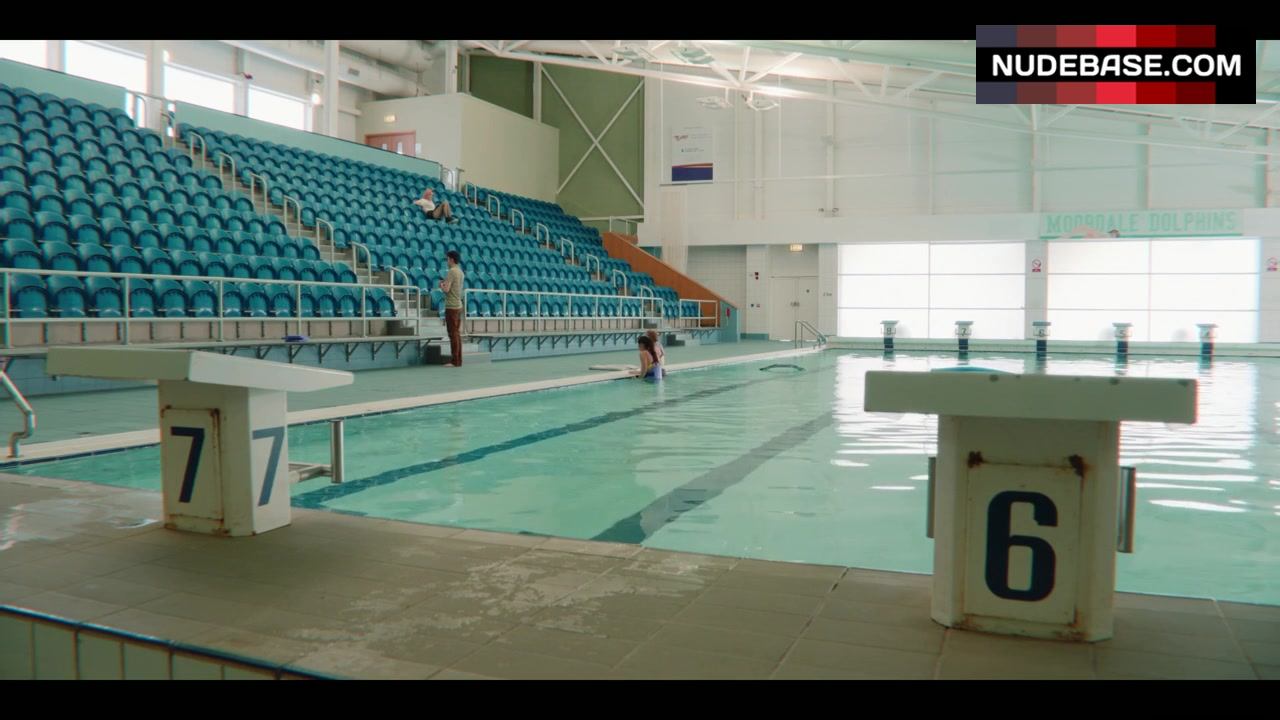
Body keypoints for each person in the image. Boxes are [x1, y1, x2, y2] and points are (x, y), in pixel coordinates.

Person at [440, 250, 465, 367]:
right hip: (458, 305)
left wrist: (441, 285)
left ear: (451, 259)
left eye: (447, 259)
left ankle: (455, 360)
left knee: (453, 334)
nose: (447, 261)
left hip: (451, 306)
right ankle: (458, 359)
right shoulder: (460, 272)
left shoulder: (451, 271)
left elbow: (446, 289)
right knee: (457, 334)